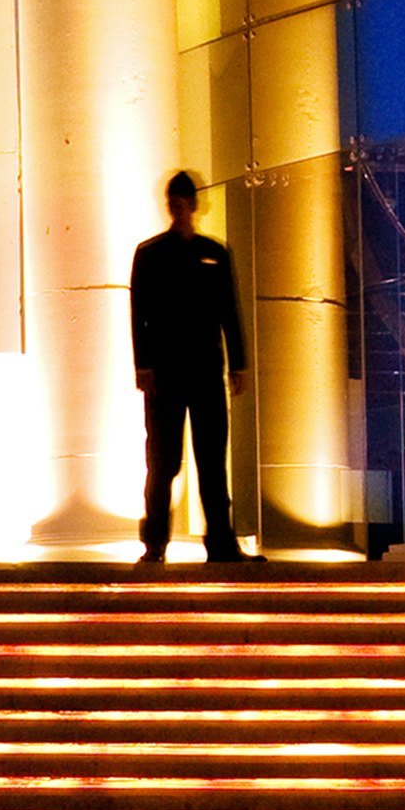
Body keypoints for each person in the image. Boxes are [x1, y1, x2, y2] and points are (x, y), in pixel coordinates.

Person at [130, 170, 247, 569]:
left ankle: (220, 544)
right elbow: (139, 313)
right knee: (163, 461)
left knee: (211, 459)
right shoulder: (152, 254)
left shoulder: (213, 253)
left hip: (202, 369)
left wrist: (239, 363)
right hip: (166, 372)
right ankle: (156, 542)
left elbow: (229, 311)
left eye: (181, 203)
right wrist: (143, 365)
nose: (178, 210)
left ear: (192, 205)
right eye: (174, 204)